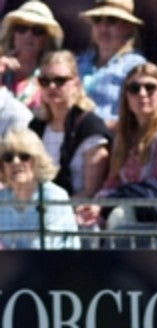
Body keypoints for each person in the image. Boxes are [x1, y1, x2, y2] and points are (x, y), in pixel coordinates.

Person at [93, 62, 157, 235]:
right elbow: (112, 182)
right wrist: (96, 205)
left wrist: (108, 202)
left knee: (119, 217)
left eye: (150, 87)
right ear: (126, 97)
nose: (142, 94)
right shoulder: (124, 135)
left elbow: (156, 183)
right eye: (134, 88)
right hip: (125, 202)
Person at [29, 51, 111, 231]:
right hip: (36, 212)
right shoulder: (36, 127)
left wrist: (53, 210)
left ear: (76, 83)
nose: (51, 86)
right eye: (44, 81)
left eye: (59, 81)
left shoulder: (90, 127)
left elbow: (90, 190)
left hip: (78, 216)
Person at [0, 127, 77, 248]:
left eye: (24, 156)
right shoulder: (2, 199)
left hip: (53, 264)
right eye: (8, 157)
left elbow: (45, 249)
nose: (15, 162)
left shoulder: (53, 196)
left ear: (37, 160)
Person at [74, 0, 147, 129]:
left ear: (128, 27)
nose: (103, 28)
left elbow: (140, 118)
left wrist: (98, 128)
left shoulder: (136, 67)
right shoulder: (77, 62)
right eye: (97, 20)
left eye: (112, 20)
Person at [0, 1, 62, 109]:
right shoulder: (1, 68)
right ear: (13, 35)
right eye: (21, 28)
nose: (28, 35)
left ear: (46, 40)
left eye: (37, 30)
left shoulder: (50, 78)